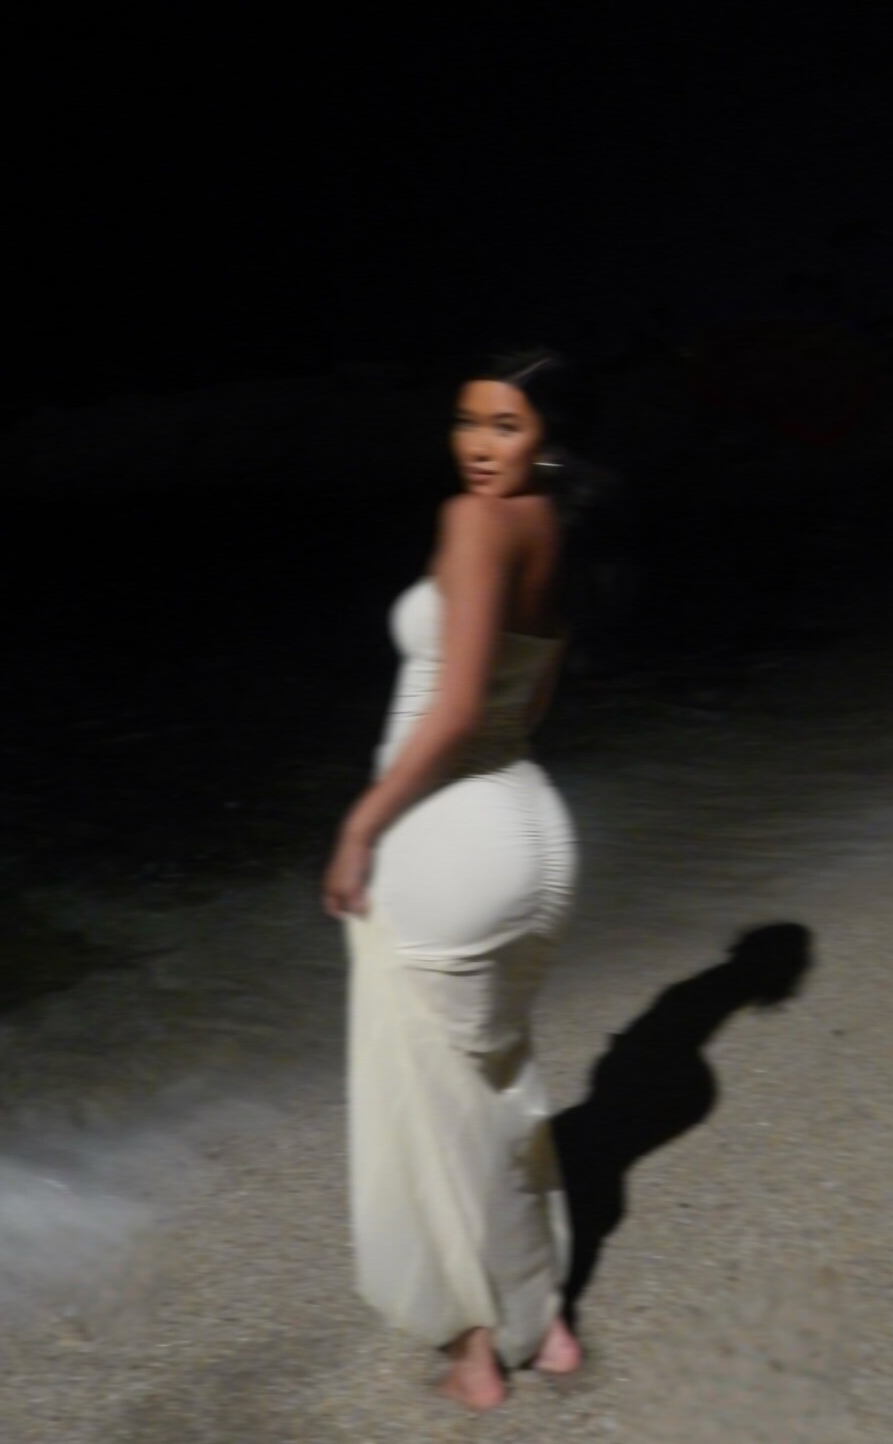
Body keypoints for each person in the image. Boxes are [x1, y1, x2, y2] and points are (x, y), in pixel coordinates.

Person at [321, 345, 631, 1412]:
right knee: (498, 1085)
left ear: (550, 436)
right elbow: (524, 705)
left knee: (431, 1102)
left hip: (447, 834)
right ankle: (547, 1322)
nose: (480, 446)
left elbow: (453, 712)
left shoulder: (474, 521)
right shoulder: (559, 532)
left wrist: (361, 825)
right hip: (533, 830)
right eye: (469, 421)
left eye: (507, 425)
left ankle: (476, 1347)